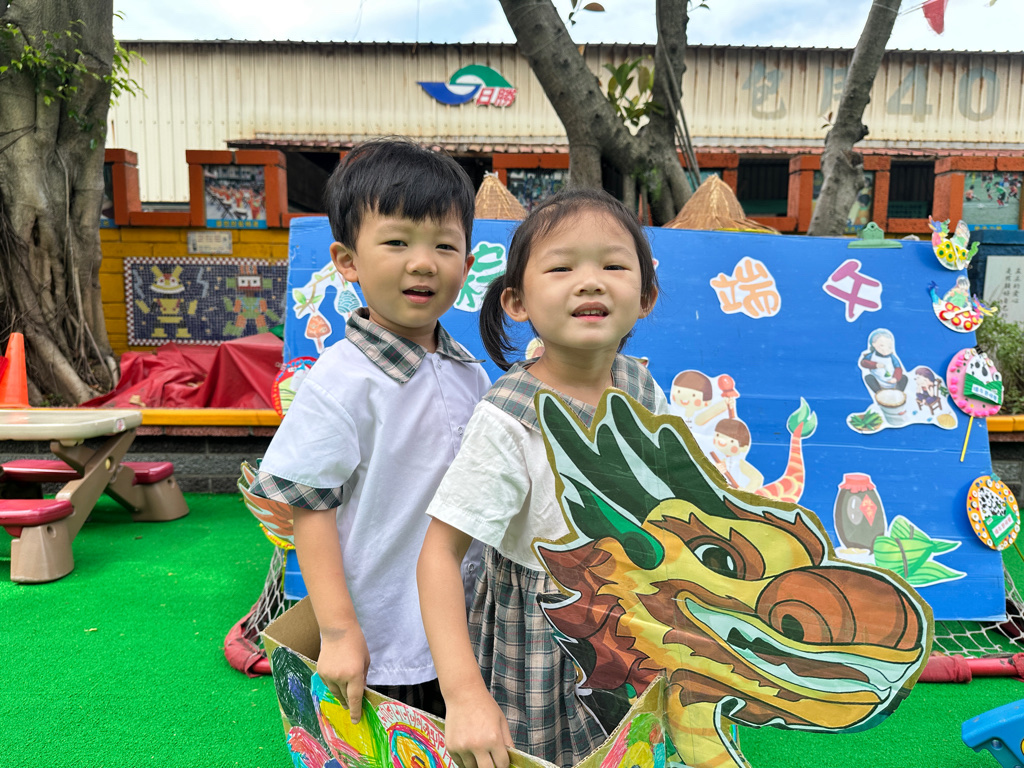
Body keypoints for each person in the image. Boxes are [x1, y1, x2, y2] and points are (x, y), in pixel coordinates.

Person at [417, 188, 668, 768]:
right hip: (542, 635)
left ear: (645, 296)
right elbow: (438, 555)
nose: (590, 282)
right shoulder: (510, 416)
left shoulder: (640, 386)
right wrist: (464, 696)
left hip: (633, 612)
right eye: (561, 268)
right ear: (517, 300)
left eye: (613, 266)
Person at [247, 138, 489, 721]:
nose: (423, 263)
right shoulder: (340, 380)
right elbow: (310, 508)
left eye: (444, 245)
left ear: (467, 265)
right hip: (386, 637)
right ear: (347, 260)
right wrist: (337, 631)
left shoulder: (471, 373)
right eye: (397, 242)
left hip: (472, 629)